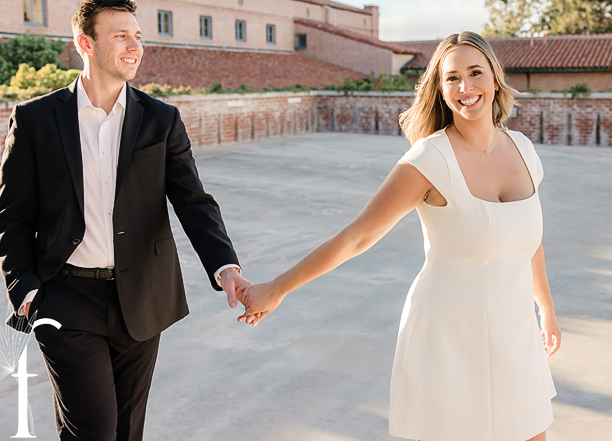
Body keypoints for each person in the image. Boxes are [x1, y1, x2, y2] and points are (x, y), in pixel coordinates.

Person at [239, 31, 561, 441]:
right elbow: (356, 238)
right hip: (448, 335)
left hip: (515, 331)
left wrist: (546, 309)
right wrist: (278, 288)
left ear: (495, 79)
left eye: (475, 73)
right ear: (440, 90)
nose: (465, 87)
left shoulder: (523, 149)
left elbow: (528, 239)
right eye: (452, 78)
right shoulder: (429, 159)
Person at [0, 0, 252, 441]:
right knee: (93, 429)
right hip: (65, 297)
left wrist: (225, 266)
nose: (135, 46)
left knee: (128, 428)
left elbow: (192, 200)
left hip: (142, 296)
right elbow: (13, 214)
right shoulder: (35, 119)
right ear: (86, 43)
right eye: (120, 36)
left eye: (138, 36)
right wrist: (25, 287)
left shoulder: (161, 119)